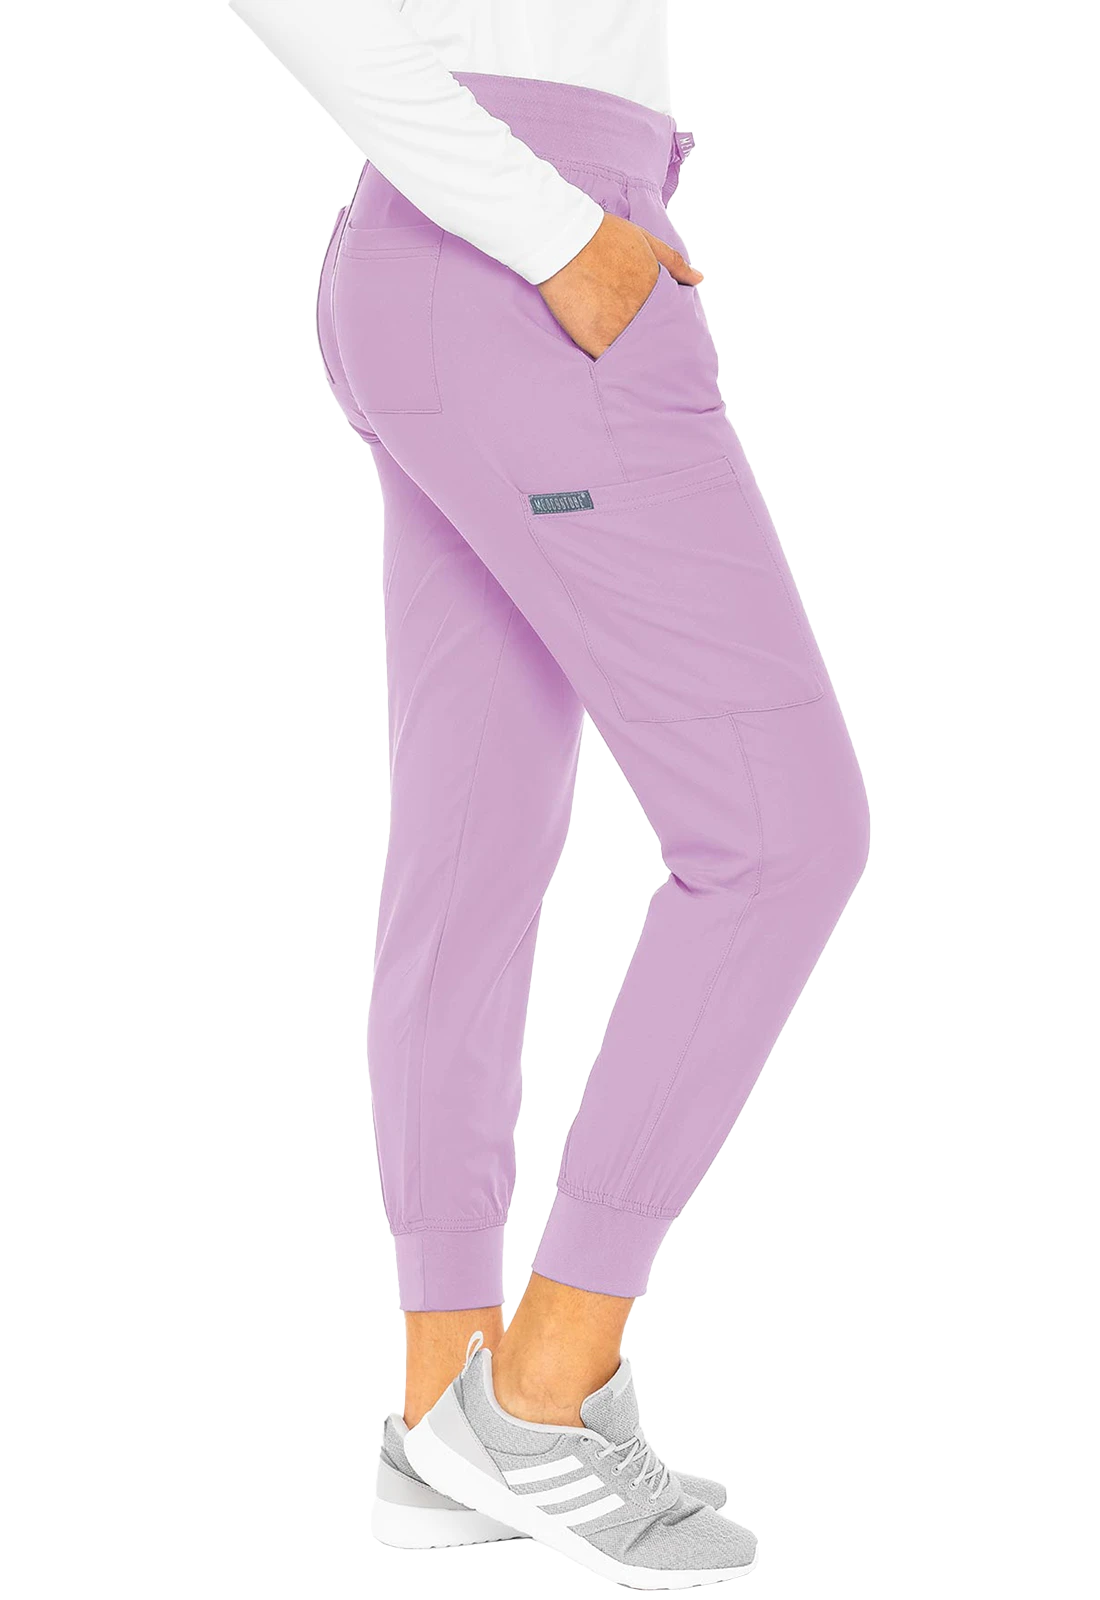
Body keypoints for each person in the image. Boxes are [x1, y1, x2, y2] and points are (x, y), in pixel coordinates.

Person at [227, 2, 870, 1585]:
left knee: (473, 849)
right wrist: (563, 234)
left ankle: (440, 1412)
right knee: (783, 835)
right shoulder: (544, 228)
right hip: (525, 253)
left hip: (451, 255)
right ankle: (542, 1393)